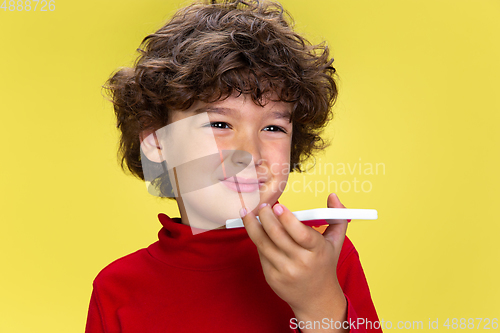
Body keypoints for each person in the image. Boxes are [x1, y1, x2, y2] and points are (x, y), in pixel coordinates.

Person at [86, 0, 381, 332]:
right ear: (157, 143)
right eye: (220, 124)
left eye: (273, 128)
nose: (250, 153)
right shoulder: (117, 289)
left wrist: (318, 303)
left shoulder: (324, 259)